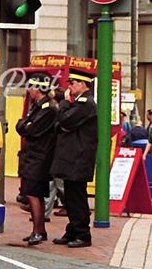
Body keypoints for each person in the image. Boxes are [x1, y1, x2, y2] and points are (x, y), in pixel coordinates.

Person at [50, 69, 97, 249]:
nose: (69, 86)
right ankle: (72, 230)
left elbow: (64, 121)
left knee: (77, 198)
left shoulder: (85, 103)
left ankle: (83, 234)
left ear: (83, 84)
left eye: (73, 83)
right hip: (73, 158)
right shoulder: (78, 103)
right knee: (70, 197)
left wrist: (63, 102)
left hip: (79, 159)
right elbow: (60, 125)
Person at [15, 75, 57, 246]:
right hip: (33, 156)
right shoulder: (38, 106)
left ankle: (38, 231)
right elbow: (22, 125)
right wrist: (25, 125)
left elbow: (32, 130)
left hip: (39, 157)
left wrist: (26, 126)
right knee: (32, 194)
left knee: (34, 194)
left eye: (31, 87)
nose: (29, 91)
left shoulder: (48, 108)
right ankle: (38, 230)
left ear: (37, 89)